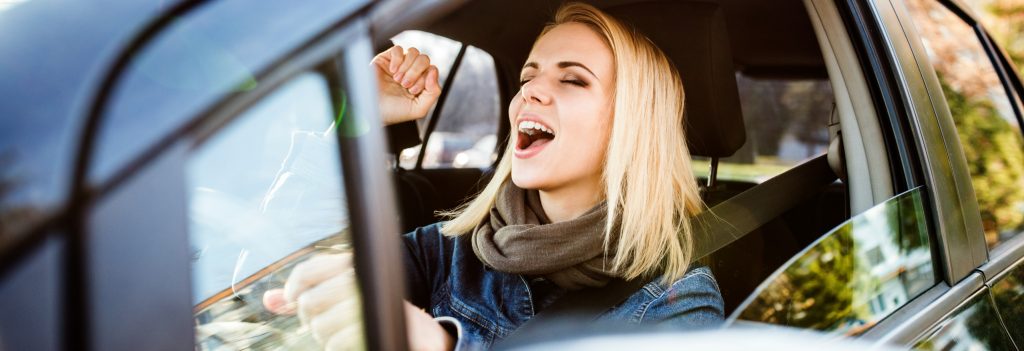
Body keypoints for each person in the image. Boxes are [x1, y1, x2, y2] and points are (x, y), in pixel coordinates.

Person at [272, 2, 725, 350]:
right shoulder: (454, 249)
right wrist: (360, 122)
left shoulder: (677, 303)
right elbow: (287, 269)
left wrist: (442, 345)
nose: (531, 92)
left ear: (634, 124)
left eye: (573, 80)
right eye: (529, 77)